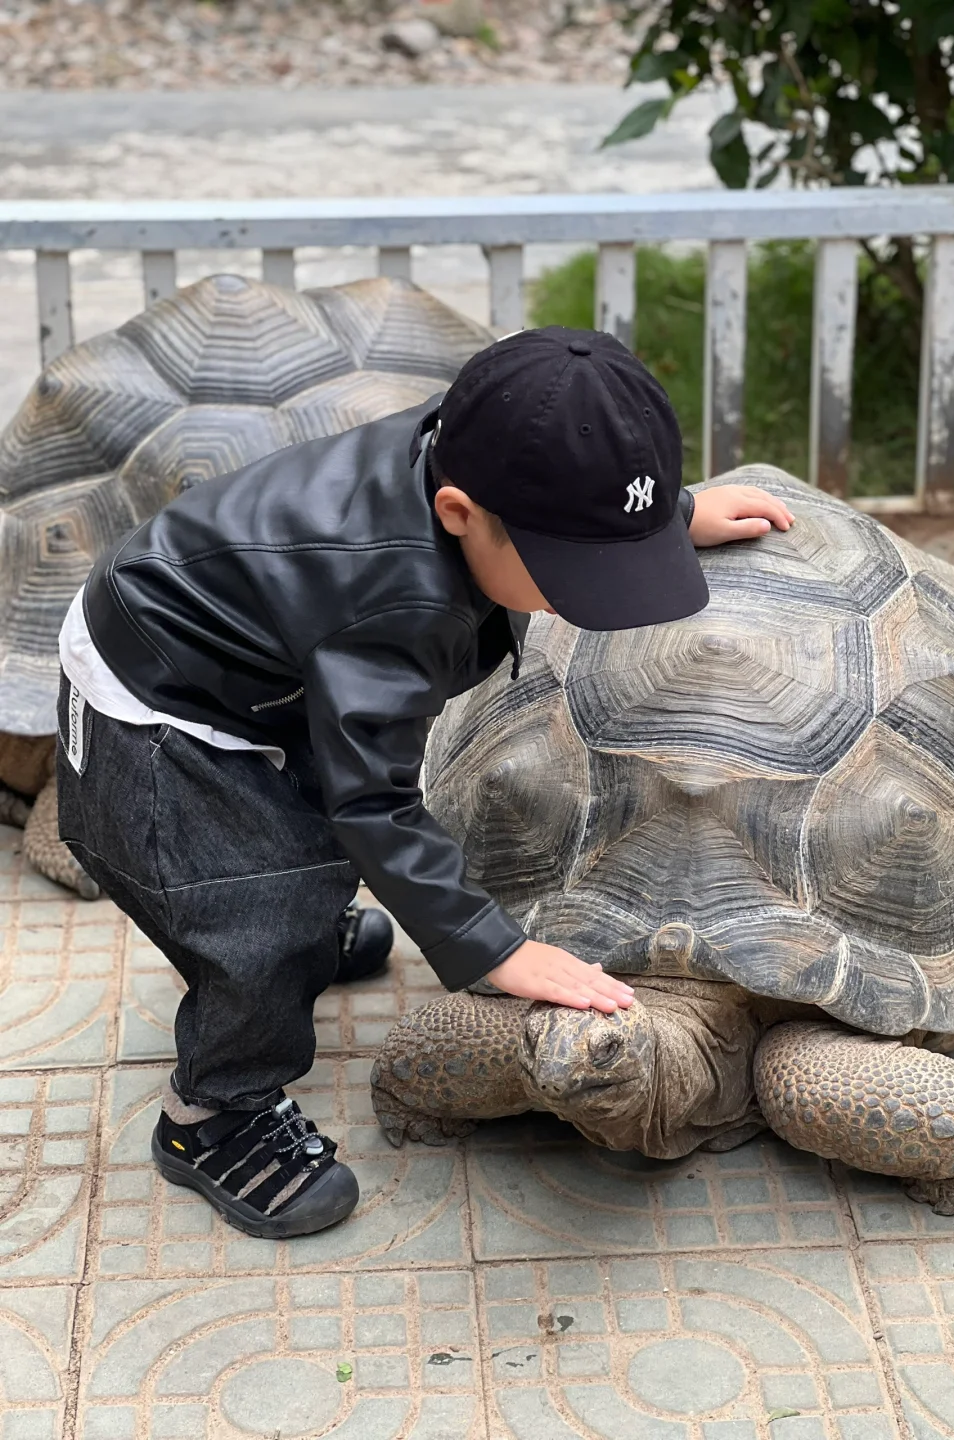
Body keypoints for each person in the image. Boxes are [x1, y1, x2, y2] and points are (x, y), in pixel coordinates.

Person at [55, 326, 793, 1240]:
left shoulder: (479, 443)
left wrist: (668, 518)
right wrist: (491, 949)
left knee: (309, 837)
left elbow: (562, 484)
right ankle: (215, 1114)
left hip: (268, 656)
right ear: (455, 513)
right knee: (255, 905)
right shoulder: (397, 597)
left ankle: (307, 938)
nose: (594, 590)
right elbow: (377, 801)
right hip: (159, 700)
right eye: (576, 569)